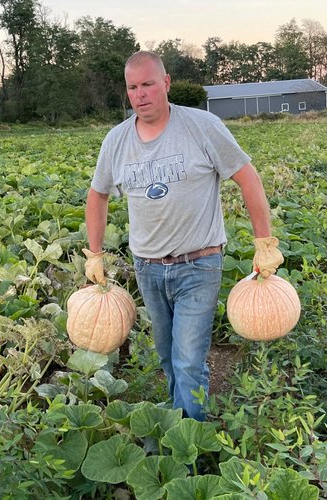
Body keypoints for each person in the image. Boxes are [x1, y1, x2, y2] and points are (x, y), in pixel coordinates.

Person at [83, 51, 283, 421]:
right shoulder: (116, 141)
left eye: (147, 84)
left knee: (188, 359)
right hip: (148, 267)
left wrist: (264, 241)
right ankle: (183, 423)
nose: (140, 94)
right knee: (168, 357)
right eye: (132, 87)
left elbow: (248, 178)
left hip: (200, 263)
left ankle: (188, 441)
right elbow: (97, 195)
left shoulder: (201, 126)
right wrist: (94, 254)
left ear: (166, 83)